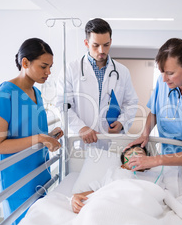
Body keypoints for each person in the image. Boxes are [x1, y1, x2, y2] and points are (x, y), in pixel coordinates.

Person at [0, 38, 63, 225]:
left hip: (37, 174)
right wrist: (39, 139)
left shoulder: (35, 93)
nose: (48, 72)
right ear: (25, 63)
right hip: (16, 179)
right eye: (44, 66)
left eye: (50, 67)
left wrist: (49, 136)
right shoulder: (5, 94)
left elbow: (30, 132)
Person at [125, 38, 182, 189]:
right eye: (162, 72)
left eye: (170, 73)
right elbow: (154, 112)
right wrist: (145, 133)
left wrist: (154, 160)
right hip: (166, 162)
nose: (163, 79)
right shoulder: (163, 82)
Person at [56, 18, 138, 146]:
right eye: (96, 45)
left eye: (106, 45)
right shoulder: (70, 69)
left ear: (111, 42)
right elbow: (63, 105)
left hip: (112, 141)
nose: (101, 50)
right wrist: (81, 128)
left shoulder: (122, 71)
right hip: (81, 143)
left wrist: (122, 122)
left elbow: (131, 102)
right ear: (86, 43)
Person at [71, 144, 167, 214]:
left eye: (139, 153)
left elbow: (161, 198)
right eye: (129, 154)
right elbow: (97, 191)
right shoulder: (114, 171)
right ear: (123, 166)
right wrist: (76, 197)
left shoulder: (154, 177)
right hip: (109, 206)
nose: (134, 156)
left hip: (140, 210)